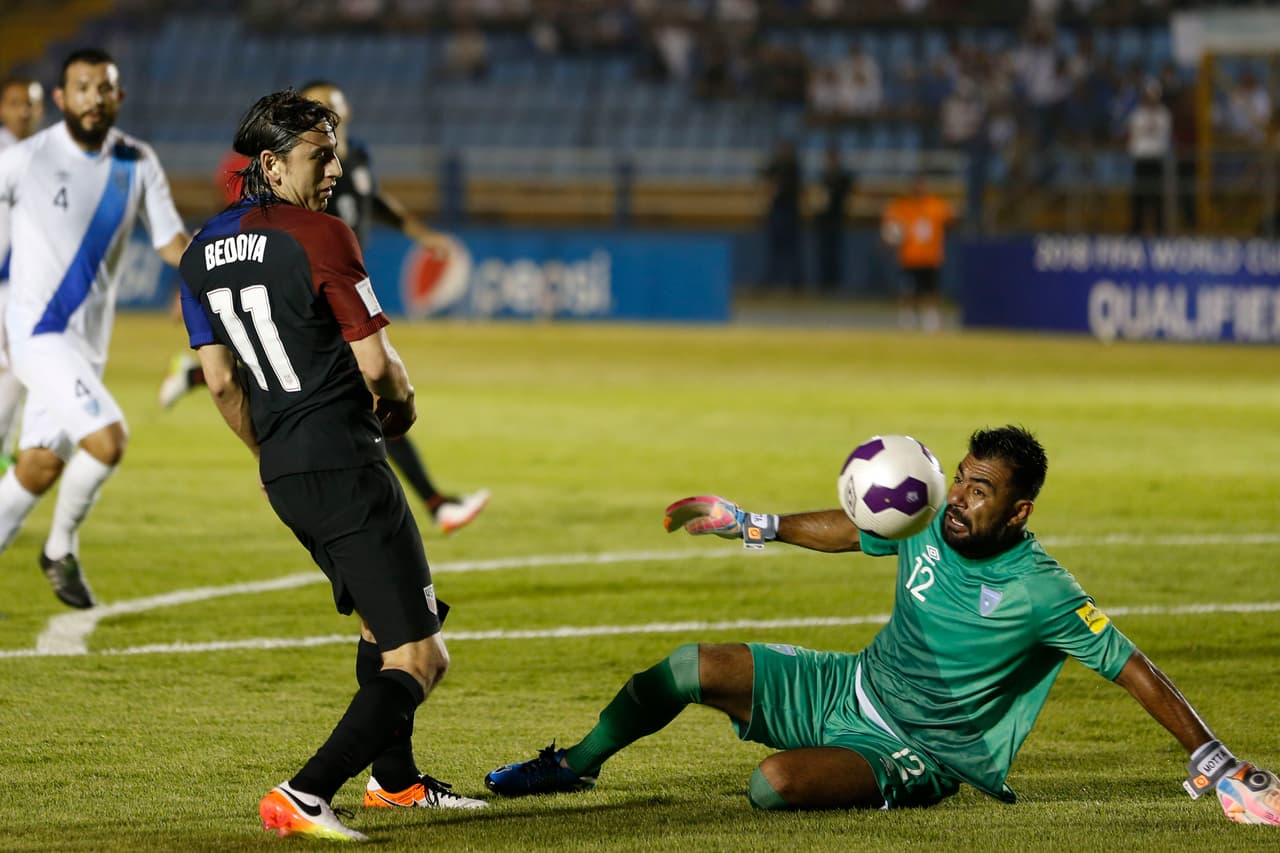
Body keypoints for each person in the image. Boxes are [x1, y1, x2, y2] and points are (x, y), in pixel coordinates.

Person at [485, 426, 1280, 826]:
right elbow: (851, 528)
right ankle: (576, 765)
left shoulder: (1042, 589)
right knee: (685, 666)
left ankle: (882, 781)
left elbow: (1131, 664)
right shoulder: (928, 517)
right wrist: (749, 521)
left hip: (917, 749)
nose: (961, 498)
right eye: (962, 479)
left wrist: (1215, 758)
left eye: (982, 490)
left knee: (773, 788)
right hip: (850, 681)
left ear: (1020, 508)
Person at [178, 90, 486, 843]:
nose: (335, 170)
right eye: (321, 156)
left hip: (286, 468)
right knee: (421, 654)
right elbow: (380, 366)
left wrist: (266, 454)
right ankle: (305, 790)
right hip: (346, 462)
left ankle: (396, 782)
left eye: (337, 155)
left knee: (385, 626)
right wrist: (403, 405)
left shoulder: (197, 253)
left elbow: (220, 382)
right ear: (273, 163)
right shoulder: (321, 236)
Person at [160, 80, 488, 537]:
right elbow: (237, 227)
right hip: (307, 289)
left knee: (333, 384)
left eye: (330, 107)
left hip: (340, 285)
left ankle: (196, 377)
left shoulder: (354, 162)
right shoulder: (291, 180)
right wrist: (200, 282)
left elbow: (376, 201)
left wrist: (421, 233)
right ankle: (429, 504)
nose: (329, 165)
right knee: (361, 387)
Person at [0, 49, 189, 610]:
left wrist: (220, 265)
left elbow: (171, 243)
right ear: (61, 99)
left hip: (87, 348)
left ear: (118, 97)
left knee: (36, 467)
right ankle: (59, 549)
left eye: (103, 88)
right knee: (108, 441)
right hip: (36, 334)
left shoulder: (137, 162)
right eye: (81, 87)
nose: (93, 98)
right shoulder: (27, 158)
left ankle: (57, 547)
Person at [0, 76, 47, 470]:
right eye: (15, 103)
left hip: (22, 283)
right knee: (16, 369)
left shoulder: (42, 155)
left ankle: (4, 452)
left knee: (20, 371)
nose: (23, 111)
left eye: (30, 103)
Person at [881, 173, 954, 333]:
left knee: (931, 291)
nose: (918, 188)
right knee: (908, 291)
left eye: (921, 184)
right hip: (910, 257)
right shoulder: (901, 207)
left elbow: (951, 219)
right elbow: (890, 231)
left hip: (930, 257)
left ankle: (931, 320)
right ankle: (907, 320)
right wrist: (890, 241)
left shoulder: (936, 205)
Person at [1126, 78, 1171, 236]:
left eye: (1154, 95)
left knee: (1157, 197)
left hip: (1156, 159)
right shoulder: (1137, 114)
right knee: (1139, 197)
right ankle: (1136, 230)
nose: (1151, 98)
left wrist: (1146, 131)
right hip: (1141, 159)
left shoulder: (1164, 114)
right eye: (1149, 94)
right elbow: (1135, 135)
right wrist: (1148, 130)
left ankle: (1160, 230)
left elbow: (1160, 133)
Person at [813, 143, 853, 293]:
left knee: (835, 254)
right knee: (823, 254)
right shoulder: (823, 177)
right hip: (823, 221)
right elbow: (818, 198)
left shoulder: (842, 177)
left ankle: (834, 284)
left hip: (835, 220)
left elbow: (845, 190)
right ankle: (823, 284)